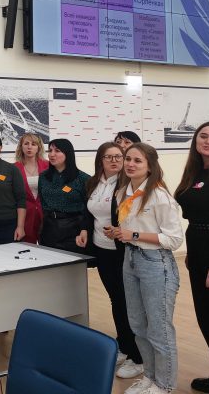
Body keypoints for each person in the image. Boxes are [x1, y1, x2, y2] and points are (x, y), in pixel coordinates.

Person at [109, 143, 183, 394]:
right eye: (128, 159)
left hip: (156, 263)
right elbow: (131, 229)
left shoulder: (160, 196)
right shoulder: (123, 192)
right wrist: (119, 233)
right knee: (138, 325)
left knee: (159, 328)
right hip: (130, 259)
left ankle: (164, 384)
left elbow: (174, 239)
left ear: (150, 166)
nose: (130, 164)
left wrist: (134, 234)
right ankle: (150, 377)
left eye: (137, 161)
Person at [76, 142, 143, 380]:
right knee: (116, 299)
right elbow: (88, 212)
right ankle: (124, 345)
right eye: (109, 157)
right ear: (100, 160)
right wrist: (84, 229)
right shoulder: (93, 183)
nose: (114, 161)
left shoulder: (127, 184)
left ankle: (138, 357)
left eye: (118, 156)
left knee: (127, 302)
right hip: (102, 249)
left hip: (122, 250)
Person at [175, 122, 209, 394]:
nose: (208, 141)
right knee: (206, 317)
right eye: (203, 136)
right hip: (198, 251)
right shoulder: (195, 172)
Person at [38, 138, 91, 253]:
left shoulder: (83, 179)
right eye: (50, 150)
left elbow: (88, 208)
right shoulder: (43, 177)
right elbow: (42, 202)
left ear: (68, 153)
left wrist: (84, 229)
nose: (52, 154)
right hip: (49, 228)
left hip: (73, 229)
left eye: (57, 151)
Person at [14, 133, 49, 244]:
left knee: (47, 248)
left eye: (33, 144)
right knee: (27, 248)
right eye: (26, 144)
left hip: (45, 214)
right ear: (21, 147)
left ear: (39, 147)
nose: (29, 147)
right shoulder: (14, 168)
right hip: (25, 216)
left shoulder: (48, 166)